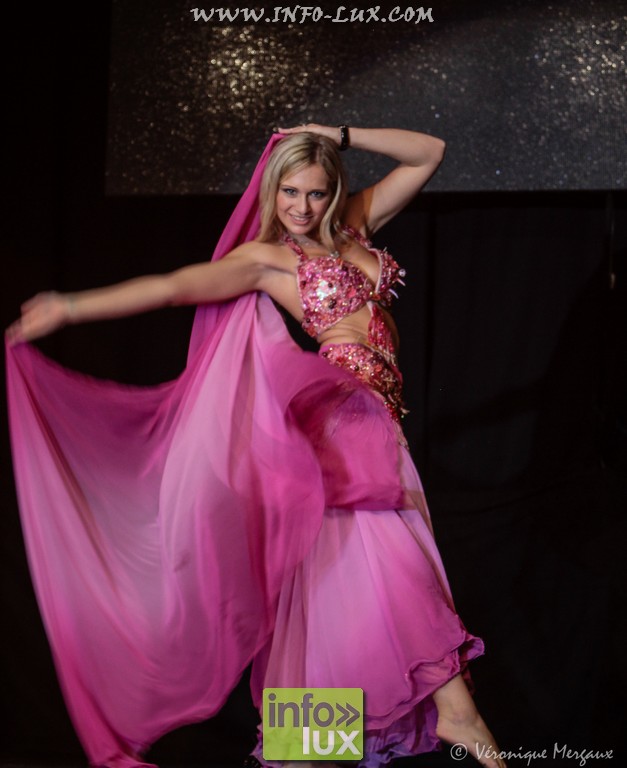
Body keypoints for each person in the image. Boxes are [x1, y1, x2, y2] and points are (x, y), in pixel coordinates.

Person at [6, 125, 506, 768]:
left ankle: (301, 751)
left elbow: (430, 152)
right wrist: (71, 306)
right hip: (342, 424)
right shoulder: (267, 259)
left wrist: (337, 134)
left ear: (334, 192)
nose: (301, 207)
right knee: (397, 569)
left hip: (383, 426)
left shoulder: (354, 225)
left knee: (330, 597)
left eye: (315, 193)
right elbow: (174, 286)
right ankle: (458, 713)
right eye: (290, 192)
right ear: (273, 190)